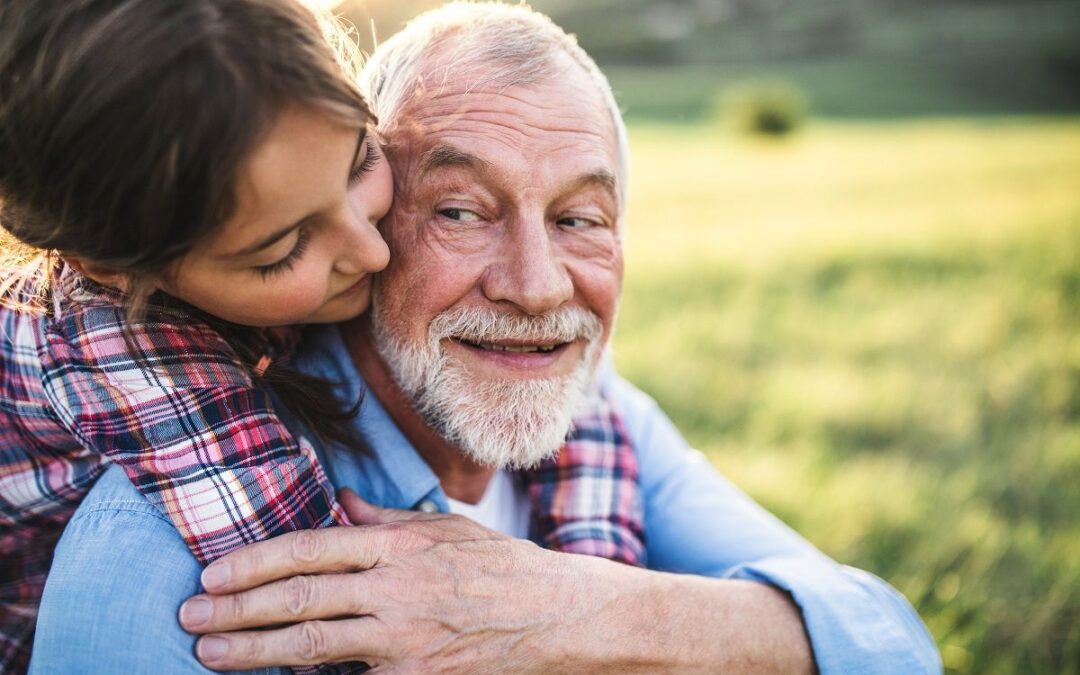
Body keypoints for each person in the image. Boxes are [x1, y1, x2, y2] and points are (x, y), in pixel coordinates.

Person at [30, 3, 942, 674]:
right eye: (462, 210)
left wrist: (571, 609)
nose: (538, 286)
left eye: (582, 218)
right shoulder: (163, 556)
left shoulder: (605, 419)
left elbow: (893, 644)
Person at [0, 1, 393, 670]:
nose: (372, 251)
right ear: (116, 267)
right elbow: (337, 617)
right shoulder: (116, 350)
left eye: (360, 164)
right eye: (285, 248)